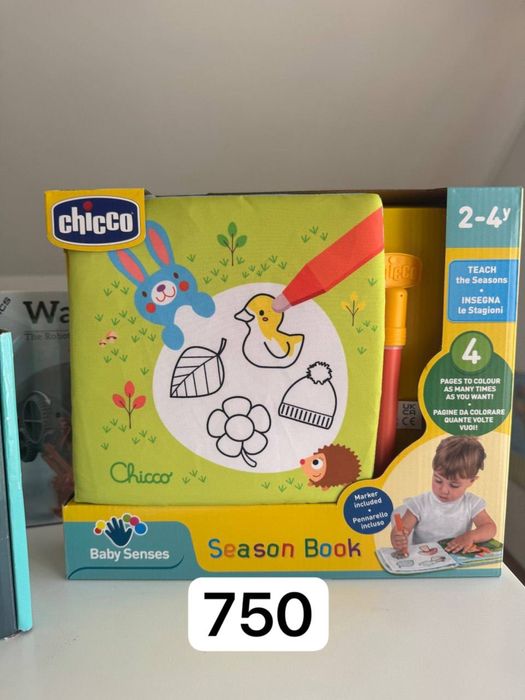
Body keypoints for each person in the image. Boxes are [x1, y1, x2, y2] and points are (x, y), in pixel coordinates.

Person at [391, 436, 496, 555]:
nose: (444, 490)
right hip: (424, 559)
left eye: (454, 485)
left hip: (455, 559)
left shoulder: (471, 503)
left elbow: (490, 527)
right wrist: (397, 538)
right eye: (438, 480)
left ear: (471, 481)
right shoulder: (419, 504)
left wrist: (470, 536)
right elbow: (401, 532)